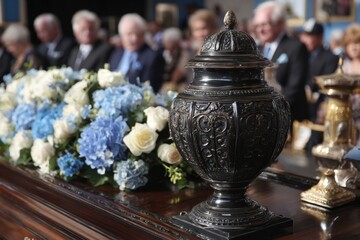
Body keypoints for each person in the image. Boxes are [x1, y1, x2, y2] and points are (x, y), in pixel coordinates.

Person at [253, 1, 309, 124]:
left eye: (264, 24)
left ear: (280, 23)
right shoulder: (257, 50)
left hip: (288, 118)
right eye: (257, 26)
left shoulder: (295, 47)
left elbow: (295, 87)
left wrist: (272, 110)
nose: (260, 30)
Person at [299, 19, 339, 150]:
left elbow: (323, 86)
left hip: (317, 111)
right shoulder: (299, 54)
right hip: (300, 109)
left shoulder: (330, 58)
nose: (307, 39)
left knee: (312, 148)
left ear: (320, 37)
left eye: (311, 36)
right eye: (305, 35)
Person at [108, 13, 165, 93]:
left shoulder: (153, 57)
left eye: (138, 34)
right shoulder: (116, 54)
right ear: (121, 35)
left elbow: (150, 88)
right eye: (129, 34)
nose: (134, 39)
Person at [342, 23, 360, 145]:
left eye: (357, 43)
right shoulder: (345, 65)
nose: (354, 47)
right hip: (348, 114)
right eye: (350, 43)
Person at [160, 27, 190, 94]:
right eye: (166, 41)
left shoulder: (183, 54)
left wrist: (172, 83)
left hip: (178, 86)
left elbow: (180, 72)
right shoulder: (161, 52)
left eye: (171, 42)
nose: (168, 44)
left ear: (177, 42)